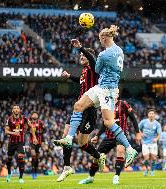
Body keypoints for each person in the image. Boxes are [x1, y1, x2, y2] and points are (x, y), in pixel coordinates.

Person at [54, 25, 138, 168]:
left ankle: (130, 149)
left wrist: (84, 50)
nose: (100, 42)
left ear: (104, 38)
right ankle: (68, 138)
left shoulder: (103, 54)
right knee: (78, 105)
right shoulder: (120, 51)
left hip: (107, 89)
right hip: (101, 86)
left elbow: (97, 68)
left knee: (108, 122)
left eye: (100, 40)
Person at [55, 41, 105, 182]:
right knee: (66, 136)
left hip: (89, 110)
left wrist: (81, 47)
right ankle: (67, 167)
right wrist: (70, 76)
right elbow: (81, 81)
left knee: (82, 144)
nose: (81, 56)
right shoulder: (84, 71)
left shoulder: (95, 67)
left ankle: (98, 156)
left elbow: (92, 59)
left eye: (84, 55)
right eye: (80, 55)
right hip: (79, 108)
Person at [79, 99, 142, 185]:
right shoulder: (107, 106)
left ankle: (116, 176)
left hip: (121, 134)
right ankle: (90, 177)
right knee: (97, 156)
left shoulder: (123, 104)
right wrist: (97, 135)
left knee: (121, 151)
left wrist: (137, 132)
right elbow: (105, 123)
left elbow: (133, 118)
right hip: (109, 136)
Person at [5, 105, 37, 183]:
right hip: (11, 143)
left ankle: (20, 178)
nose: (16, 110)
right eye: (14, 108)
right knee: (9, 159)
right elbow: (6, 131)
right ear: (12, 110)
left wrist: (35, 137)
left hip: (20, 142)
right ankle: (9, 174)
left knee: (21, 158)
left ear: (19, 110)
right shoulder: (9, 119)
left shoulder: (24, 118)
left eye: (17, 108)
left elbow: (31, 127)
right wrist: (13, 133)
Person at [138, 108, 162, 177]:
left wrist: (156, 139)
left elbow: (159, 134)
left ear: (154, 115)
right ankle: (146, 169)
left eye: (152, 114)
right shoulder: (143, 122)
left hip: (153, 143)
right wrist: (141, 134)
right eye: (150, 113)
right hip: (145, 142)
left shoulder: (157, 124)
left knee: (154, 158)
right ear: (148, 115)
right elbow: (138, 128)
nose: (151, 115)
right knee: (146, 158)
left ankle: (152, 171)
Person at [28, 112, 45, 179]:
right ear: (31, 115)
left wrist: (43, 141)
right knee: (33, 154)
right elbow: (26, 130)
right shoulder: (29, 122)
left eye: (36, 114)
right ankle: (32, 171)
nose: (34, 115)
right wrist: (30, 130)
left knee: (37, 158)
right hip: (32, 141)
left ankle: (35, 171)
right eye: (33, 114)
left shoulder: (40, 122)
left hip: (39, 142)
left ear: (37, 116)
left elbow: (44, 130)